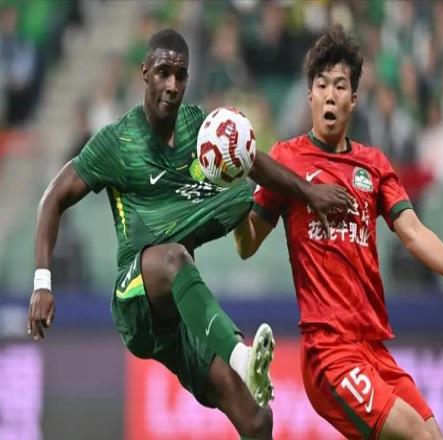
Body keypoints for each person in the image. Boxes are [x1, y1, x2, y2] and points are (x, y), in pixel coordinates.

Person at [27, 29, 353, 440]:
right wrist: (42, 282)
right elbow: (53, 198)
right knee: (174, 257)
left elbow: (252, 160)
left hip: (183, 316)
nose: (172, 85)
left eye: (180, 75)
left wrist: (307, 191)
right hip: (137, 296)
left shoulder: (200, 127)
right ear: (145, 72)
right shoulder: (117, 142)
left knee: (257, 419)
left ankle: (239, 357)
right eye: (163, 73)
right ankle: (241, 357)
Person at [233, 25, 443, 440]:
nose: (330, 95)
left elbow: (413, 233)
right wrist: (233, 196)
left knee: (433, 436)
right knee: (415, 435)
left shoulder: (373, 165)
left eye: (340, 86)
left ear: (353, 99)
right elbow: (248, 244)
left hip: (373, 349)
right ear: (310, 95)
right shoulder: (287, 161)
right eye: (322, 85)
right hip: (329, 352)